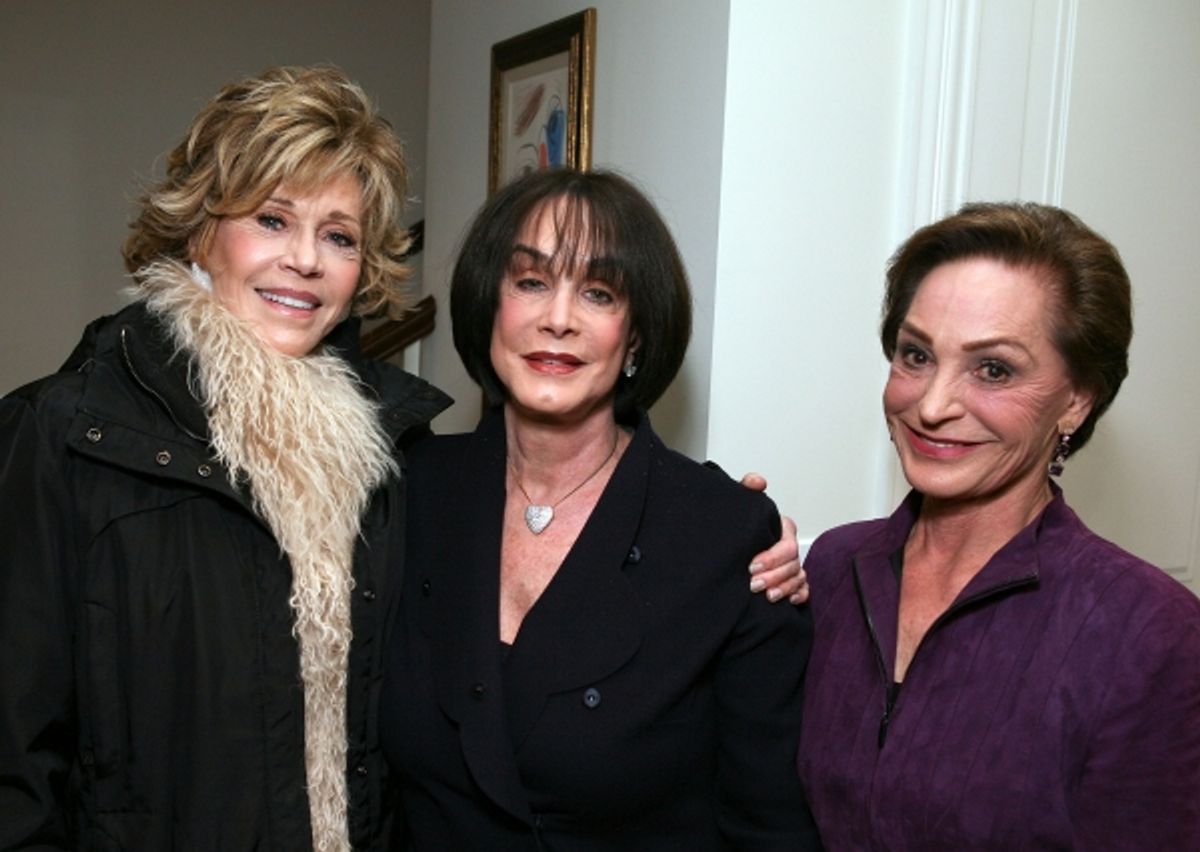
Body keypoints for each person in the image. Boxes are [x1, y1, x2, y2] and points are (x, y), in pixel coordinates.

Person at [0, 67, 805, 850]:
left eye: (339, 237)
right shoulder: (69, 433)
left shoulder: (386, 466)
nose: (306, 261)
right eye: (272, 220)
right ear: (200, 229)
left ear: (637, 334)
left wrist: (745, 541)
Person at [380, 168, 821, 849]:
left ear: (636, 335)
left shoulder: (725, 538)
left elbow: (768, 827)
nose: (558, 318)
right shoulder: (407, 491)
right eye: (530, 282)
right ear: (488, 306)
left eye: (598, 292)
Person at [796, 202, 1200, 848]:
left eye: (993, 369)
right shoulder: (834, 568)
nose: (930, 406)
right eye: (915, 355)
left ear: (1077, 398)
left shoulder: (1152, 634)